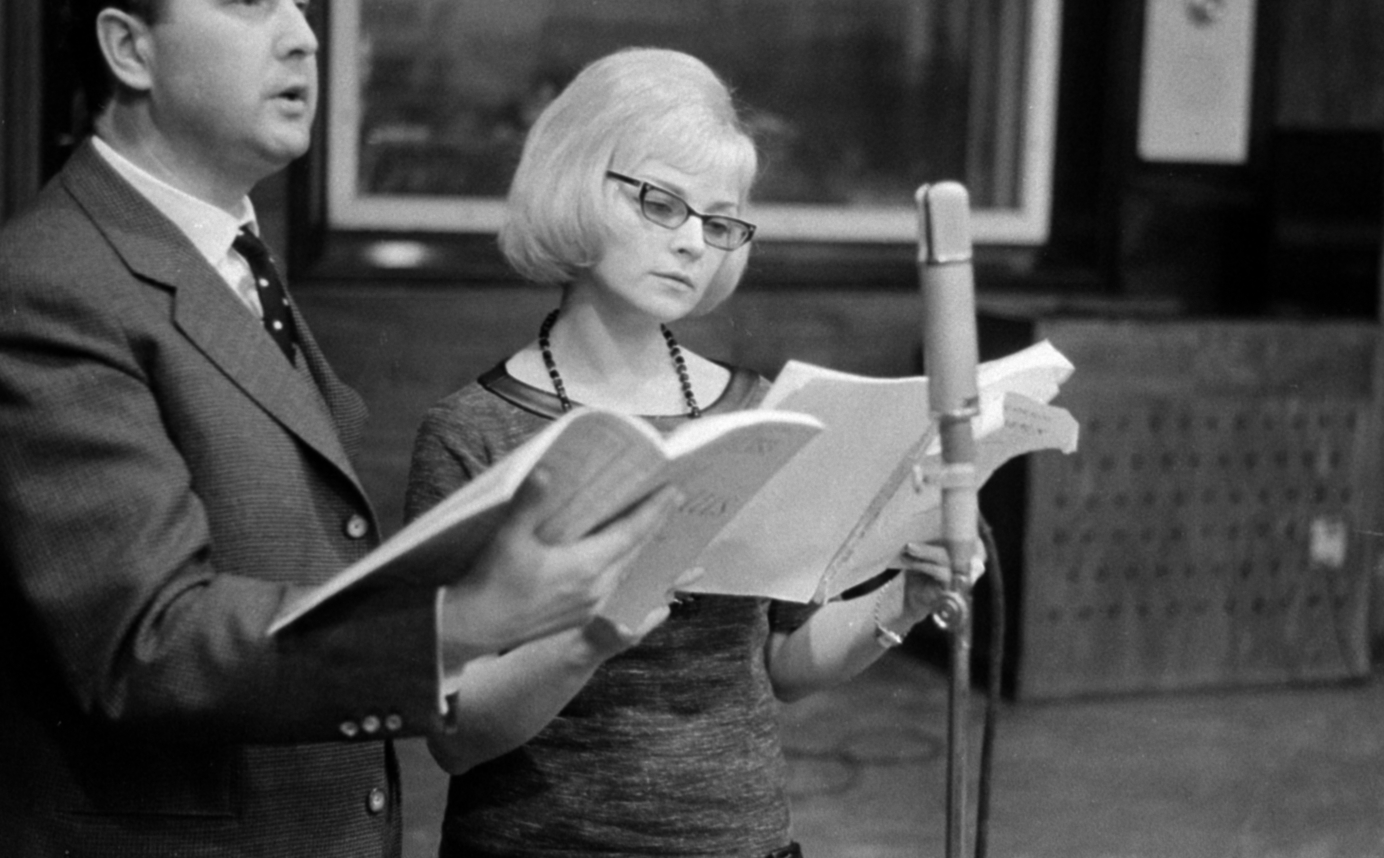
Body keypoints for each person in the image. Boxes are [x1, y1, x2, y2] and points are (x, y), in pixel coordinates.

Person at [0, 0, 671, 858]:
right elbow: (148, 641)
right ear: (128, 48)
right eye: (249, 0)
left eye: (305, 2)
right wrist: (461, 615)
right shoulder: (51, 278)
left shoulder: (226, 248)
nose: (305, 35)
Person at [405, 47, 975, 858]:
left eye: (716, 222)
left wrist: (901, 604)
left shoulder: (755, 410)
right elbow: (454, 734)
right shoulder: (473, 431)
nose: (691, 245)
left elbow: (780, 661)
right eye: (660, 203)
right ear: (573, 180)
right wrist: (590, 638)